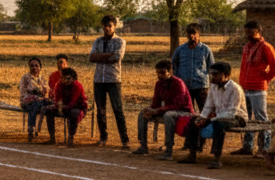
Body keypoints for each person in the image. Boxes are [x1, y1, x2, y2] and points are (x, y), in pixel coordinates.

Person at [180, 61, 247, 169]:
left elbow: (232, 111)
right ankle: (192, 154)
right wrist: (202, 118)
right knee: (194, 121)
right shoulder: (213, 87)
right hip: (218, 115)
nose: (213, 77)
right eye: (212, 74)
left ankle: (217, 158)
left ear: (226, 75)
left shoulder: (235, 89)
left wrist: (212, 118)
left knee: (218, 125)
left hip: (236, 117)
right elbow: (208, 106)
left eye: (216, 74)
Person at [233, 21, 275, 156]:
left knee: (261, 119)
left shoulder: (266, 47)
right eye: (246, 32)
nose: (247, 34)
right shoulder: (246, 47)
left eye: (250, 32)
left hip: (258, 88)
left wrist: (265, 78)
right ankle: (247, 147)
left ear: (258, 31)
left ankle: (264, 148)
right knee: (246, 118)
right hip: (245, 87)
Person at [132, 59, 193, 158]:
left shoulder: (178, 83)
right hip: (167, 110)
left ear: (170, 72)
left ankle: (168, 150)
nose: (160, 75)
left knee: (168, 116)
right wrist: (150, 110)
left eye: (163, 72)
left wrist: (158, 110)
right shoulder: (159, 84)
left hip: (184, 111)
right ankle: (143, 146)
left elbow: (178, 105)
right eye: (158, 72)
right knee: (142, 113)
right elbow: (156, 103)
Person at [89, 15, 129, 148]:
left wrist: (100, 57)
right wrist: (107, 55)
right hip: (99, 79)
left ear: (114, 26)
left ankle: (125, 139)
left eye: (109, 26)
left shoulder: (120, 41)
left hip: (114, 79)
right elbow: (91, 57)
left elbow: (117, 58)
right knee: (100, 110)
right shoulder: (98, 41)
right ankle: (103, 137)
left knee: (118, 109)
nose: (107, 28)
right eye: (105, 26)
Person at [171, 22, 215, 112]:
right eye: (189, 33)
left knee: (205, 112)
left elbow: (212, 67)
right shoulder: (180, 50)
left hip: (201, 86)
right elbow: (174, 64)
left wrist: (212, 82)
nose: (191, 36)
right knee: (187, 112)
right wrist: (178, 79)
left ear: (198, 34)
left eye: (194, 33)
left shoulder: (205, 50)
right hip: (185, 86)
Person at [43, 67, 88, 147]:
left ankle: (70, 139)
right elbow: (56, 99)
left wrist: (64, 107)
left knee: (74, 113)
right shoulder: (59, 84)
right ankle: (52, 138)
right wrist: (58, 105)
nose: (64, 80)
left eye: (67, 78)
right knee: (48, 110)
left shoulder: (77, 86)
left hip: (78, 107)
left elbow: (74, 101)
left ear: (73, 78)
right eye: (62, 77)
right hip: (64, 107)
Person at [18, 57, 50, 142]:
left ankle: (34, 129)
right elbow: (23, 94)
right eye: (32, 66)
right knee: (35, 104)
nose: (34, 68)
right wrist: (36, 96)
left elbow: (46, 90)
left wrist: (42, 92)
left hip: (39, 102)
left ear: (40, 67)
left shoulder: (42, 78)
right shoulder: (26, 78)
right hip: (27, 103)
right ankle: (32, 129)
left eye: (36, 66)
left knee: (46, 104)